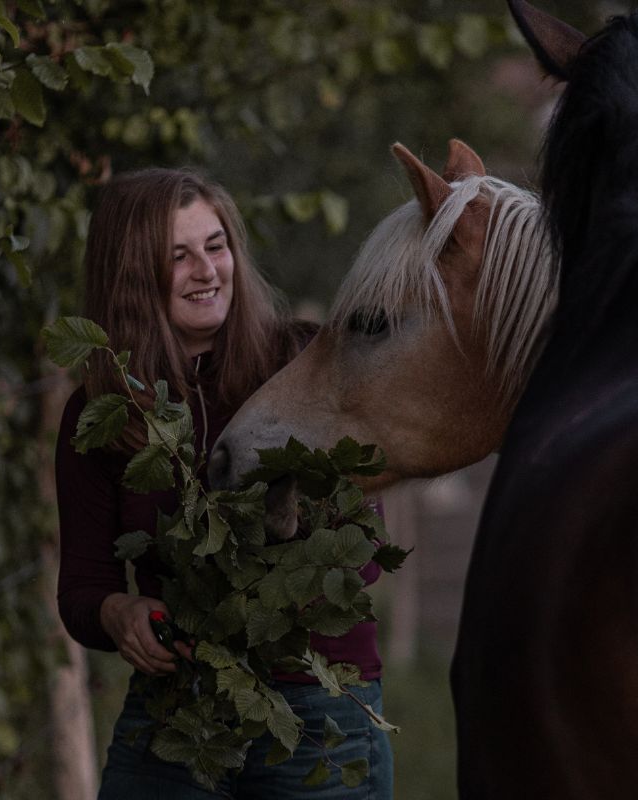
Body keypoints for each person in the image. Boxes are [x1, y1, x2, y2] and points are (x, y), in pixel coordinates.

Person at [54, 168, 392, 798]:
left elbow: (361, 557)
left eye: (215, 246)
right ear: (132, 276)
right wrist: (117, 611)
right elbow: (82, 588)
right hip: (177, 711)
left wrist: (262, 589)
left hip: (314, 717)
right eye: (177, 256)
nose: (207, 270)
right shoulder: (105, 412)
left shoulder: (302, 366)